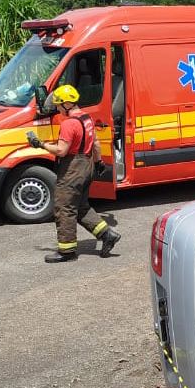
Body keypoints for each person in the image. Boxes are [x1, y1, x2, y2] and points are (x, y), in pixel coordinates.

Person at [29, 85, 120, 263]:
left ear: (67, 104)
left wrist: (40, 144)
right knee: (80, 207)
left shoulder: (69, 124)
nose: (58, 109)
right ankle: (107, 234)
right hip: (87, 166)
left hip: (73, 169)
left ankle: (67, 251)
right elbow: (95, 144)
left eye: (59, 105)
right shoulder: (87, 118)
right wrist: (99, 161)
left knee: (64, 208)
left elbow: (62, 151)